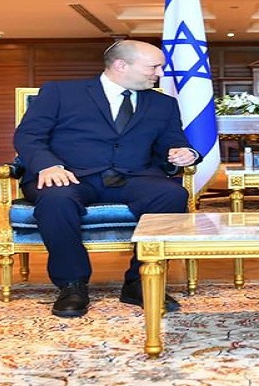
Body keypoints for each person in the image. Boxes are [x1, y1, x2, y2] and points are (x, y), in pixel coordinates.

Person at [14, 39, 201, 318]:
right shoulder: (60, 92)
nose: (160, 73)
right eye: (154, 67)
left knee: (172, 194)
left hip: (133, 176)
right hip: (70, 175)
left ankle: (139, 282)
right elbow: (28, 136)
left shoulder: (163, 104)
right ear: (121, 65)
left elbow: (173, 141)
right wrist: (48, 166)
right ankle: (72, 285)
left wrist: (184, 153)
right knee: (57, 199)